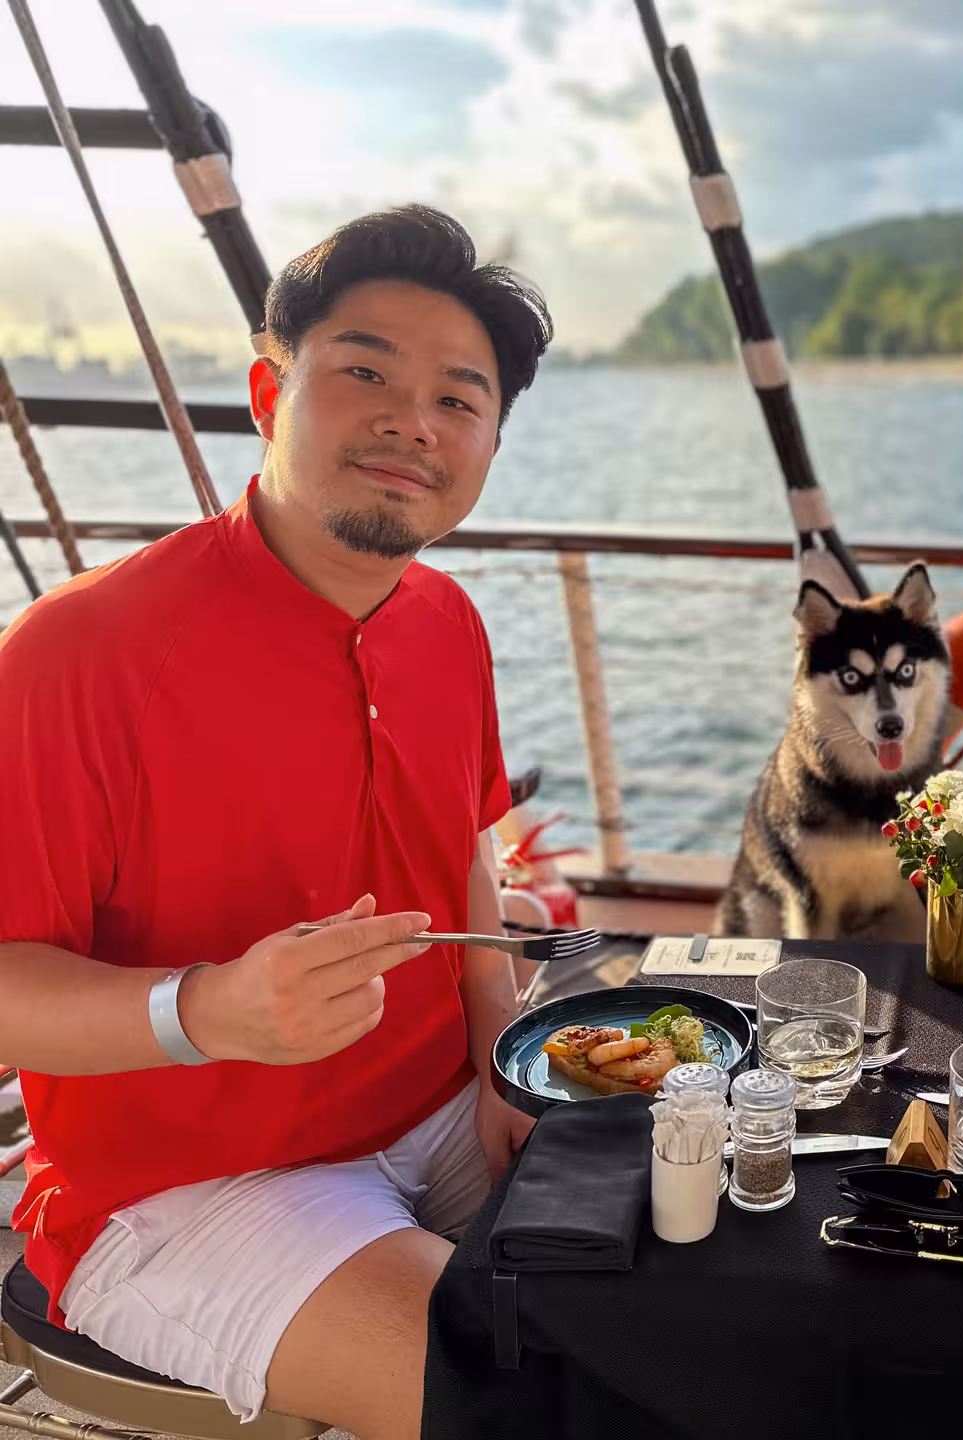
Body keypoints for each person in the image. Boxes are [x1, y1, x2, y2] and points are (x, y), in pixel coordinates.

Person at [0, 205, 552, 1440]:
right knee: (529, 1390)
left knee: (712, 1269)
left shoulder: (444, 623)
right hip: (188, 1187)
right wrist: (202, 1010)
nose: (415, 422)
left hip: (443, 1113)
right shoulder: (77, 654)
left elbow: (461, 847)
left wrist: (501, 1060)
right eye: (364, 373)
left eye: (460, 401)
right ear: (267, 388)